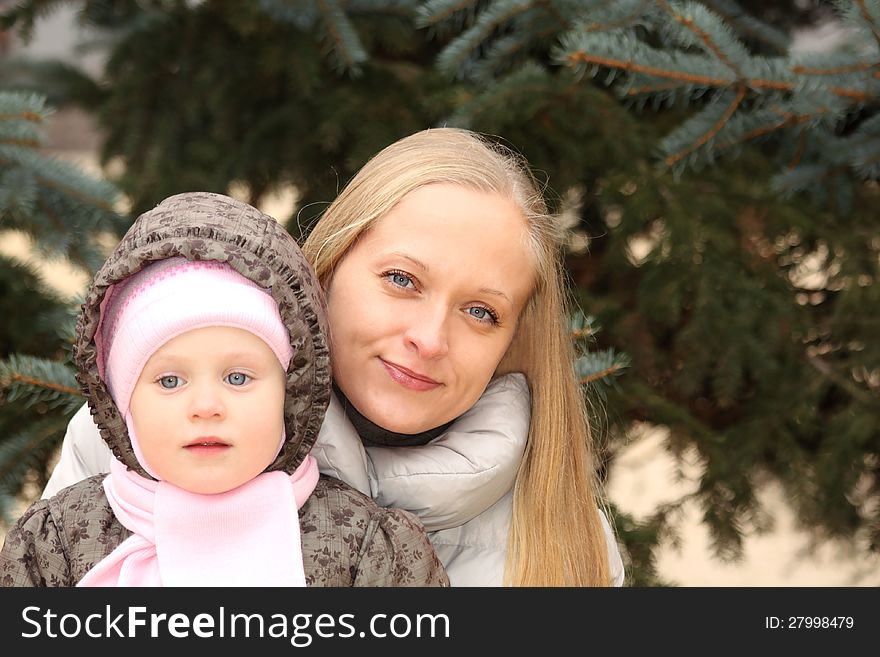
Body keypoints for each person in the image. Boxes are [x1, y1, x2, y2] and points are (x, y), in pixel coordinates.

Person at [39, 128, 626, 587]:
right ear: (328, 268)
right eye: (402, 279)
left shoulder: (568, 540)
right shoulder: (133, 438)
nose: (430, 337)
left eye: (480, 312)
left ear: (513, 338)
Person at [0, 191, 449, 587]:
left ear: (292, 393)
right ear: (123, 405)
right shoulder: (54, 545)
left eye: (238, 378)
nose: (206, 407)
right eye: (170, 381)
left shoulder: (367, 551)